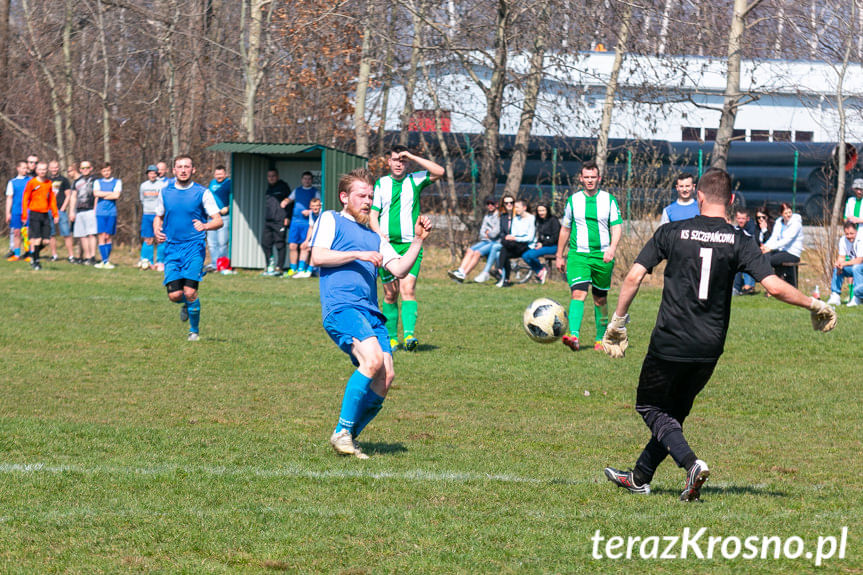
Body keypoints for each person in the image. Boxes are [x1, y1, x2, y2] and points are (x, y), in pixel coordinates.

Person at [600, 168, 837, 502]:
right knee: (675, 413)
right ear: (730, 200)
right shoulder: (740, 240)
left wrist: (618, 322)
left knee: (650, 406)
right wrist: (815, 304)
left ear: (698, 196)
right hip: (709, 346)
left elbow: (633, 277)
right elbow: (773, 286)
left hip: (670, 340)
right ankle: (640, 476)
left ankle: (691, 464)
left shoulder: (672, 230)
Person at [309, 168, 432, 459]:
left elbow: (400, 269)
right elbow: (318, 256)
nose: (367, 201)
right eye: (361, 195)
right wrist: (358, 254)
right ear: (344, 197)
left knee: (386, 376)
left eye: (370, 197)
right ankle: (342, 431)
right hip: (342, 306)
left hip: (371, 312)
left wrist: (417, 240)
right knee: (372, 360)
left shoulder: (374, 235)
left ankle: (348, 437)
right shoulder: (332, 218)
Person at [370, 145, 444, 351]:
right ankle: (392, 338)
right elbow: (373, 215)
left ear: (407, 162)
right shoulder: (381, 184)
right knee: (390, 294)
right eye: (395, 160)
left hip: (411, 245)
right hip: (387, 246)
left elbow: (440, 172)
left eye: (402, 160)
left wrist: (412, 155)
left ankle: (409, 336)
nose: (399, 163)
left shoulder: (415, 179)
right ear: (389, 162)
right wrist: (378, 234)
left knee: (408, 289)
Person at [153, 155, 223, 341]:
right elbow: (158, 216)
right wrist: (157, 231)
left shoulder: (202, 193)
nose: (183, 170)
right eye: (179, 167)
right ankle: (188, 304)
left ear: (193, 170)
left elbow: (218, 220)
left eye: (187, 167)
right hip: (172, 248)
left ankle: (194, 332)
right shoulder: (165, 192)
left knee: (190, 291)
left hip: (194, 247)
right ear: (173, 170)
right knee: (175, 295)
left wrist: (205, 226)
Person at [556, 160, 622, 352]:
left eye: (593, 177)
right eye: (587, 177)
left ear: (599, 178)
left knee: (600, 299)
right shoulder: (573, 200)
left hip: (602, 256)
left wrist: (612, 248)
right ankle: (574, 335)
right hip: (578, 255)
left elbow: (617, 226)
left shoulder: (609, 200)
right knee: (578, 293)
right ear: (581, 178)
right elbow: (565, 229)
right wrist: (559, 255)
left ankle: (600, 338)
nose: (590, 180)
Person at [448, 196, 502, 282]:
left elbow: (496, 233)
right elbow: (482, 232)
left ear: (497, 205)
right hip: (485, 241)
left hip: (494, 242)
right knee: (470, 250)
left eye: (492, 204)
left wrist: (489, 233)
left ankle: (463, 275)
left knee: (477, 253)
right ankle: (460, 271)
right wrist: (487, 234)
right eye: (488, 204)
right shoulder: (487, 216)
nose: (490, 205)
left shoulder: (499, 216)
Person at [21, 161, 58, 270]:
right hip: (34, 214)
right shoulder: (32, 183)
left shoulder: (49, 183)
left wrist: (55, 214)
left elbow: (52, 200)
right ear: (37, 170)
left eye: (44, 169)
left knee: (46, 241)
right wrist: (24, 215)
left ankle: (33, 255)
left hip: (45, 214)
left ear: (47, 170)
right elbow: (25, 199)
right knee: (36, 239)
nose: (42, 171)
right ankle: (36, 261)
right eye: (40, 169)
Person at [286, 171, 320, 277]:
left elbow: (318, 206)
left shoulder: (315, 192)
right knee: (292, 246)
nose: (307, 181)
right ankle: (293, 269)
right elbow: (289, 199)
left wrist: (309, 212)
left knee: (305, 246)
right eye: (305, 179)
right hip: (295, 222)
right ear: (302, 180)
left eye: (309, 179)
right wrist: (284, 202)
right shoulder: (297, 190)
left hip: (307, 223)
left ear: (312, 180)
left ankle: (303, 269)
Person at [496, 199, 536, 287]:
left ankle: (500, 270)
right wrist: (513, 238)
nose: (516, 209)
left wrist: (515, 238)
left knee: (504, 249)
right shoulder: (516, 219)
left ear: (524, 208)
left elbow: (529, 238)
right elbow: (513, 233)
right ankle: (505, 278)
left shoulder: (531, 218)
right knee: (504, 250)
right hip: (515, 244)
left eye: (517, 207)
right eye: (515, 208)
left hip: (526, 245)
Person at [761, 202, 803, 286]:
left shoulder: (796, 224)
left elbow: (786, 240)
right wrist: (765, 246)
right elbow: (774, 237)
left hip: (792, 253)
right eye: (786, 213)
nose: (788, 215)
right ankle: (772, 285)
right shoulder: (779, 222)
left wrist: (771, 248)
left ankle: (774, 285)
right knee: (764, 256)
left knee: (770, 260)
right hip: (781, 251)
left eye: (790, 212)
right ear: (781, 214)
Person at [522, 202, 560, 284]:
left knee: (532, 255)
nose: (541, 213)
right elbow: (539, 236)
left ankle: (541, 269)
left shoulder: (553, 220)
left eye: (543, 210)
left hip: (553, 246)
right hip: (542, 245)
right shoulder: (539, 221)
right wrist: (539, 242)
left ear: (547, 210)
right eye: (539, 211)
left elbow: (555, 237)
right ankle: (540, 271)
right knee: (525, 255)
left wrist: (543, 244)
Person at [827, 221, 863, 306]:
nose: (849, 236)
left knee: (856, 268)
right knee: (838, 269)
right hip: (855, 266)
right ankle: (835, 295)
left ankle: (858, 297)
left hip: (859, 266)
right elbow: (841, 257)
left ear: (856, 232)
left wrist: (844, 264)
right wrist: (839, 264)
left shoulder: (861, 239)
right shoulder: (843, 240)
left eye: (851, 233)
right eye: (847, 234)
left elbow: (859, 260)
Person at [93, 163, 122, 269]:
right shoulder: (97, 182)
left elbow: (117, 195)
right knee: (101, 236)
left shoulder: (117, 182)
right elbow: (96, 193)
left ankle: (107, 261)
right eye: (104, 171)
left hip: (111, 213)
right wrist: (110, 194)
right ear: (101, 172)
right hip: (100, 212)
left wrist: (103, 194)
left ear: (111, 171)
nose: (106, 173)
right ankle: (103, 261)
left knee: (108, 236)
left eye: (108, 170)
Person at [261, 168, 290, 275]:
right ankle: (270, 264)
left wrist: (287, 217)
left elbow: (289, 202)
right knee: (265, 243)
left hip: (280, 220)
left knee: (280, 244)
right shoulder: (269, 188)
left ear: (277, 176)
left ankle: (279, 267)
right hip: (269, 220)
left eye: (273, 176)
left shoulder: (283, 186)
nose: (271, 178)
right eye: (269, 176)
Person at [72, 161, 98, 265]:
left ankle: (92, 256)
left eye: (87, 167)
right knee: (82, 235)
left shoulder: (95, 180)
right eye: (83, 168)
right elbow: (73, 196)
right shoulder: (76, 182)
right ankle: (86, 257)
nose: (85, 169)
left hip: (91, 210)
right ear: (80, 169)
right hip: (79, 211)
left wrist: (96, 209)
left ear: (91, 168)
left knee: (91, 234)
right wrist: (72, 212)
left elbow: (97, 195)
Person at [206, 165, 232, 272]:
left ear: (225, 174)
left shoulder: (229, 183)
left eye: (221, 174)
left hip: (224, 217)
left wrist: (228, 207)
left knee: (222, 243)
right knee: (212, 243)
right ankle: (214, 264)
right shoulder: (212, 183)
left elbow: (234, 198)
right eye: (217, 174)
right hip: (211, 217)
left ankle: (222, 264)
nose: (219, 176)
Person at [48, 160, 74, 262]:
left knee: (66, 234)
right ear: (49, 168)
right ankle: (54, 255)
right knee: (51, 234)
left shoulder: (64, 180)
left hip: (61, 210)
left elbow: (68, 195)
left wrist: (63, 208)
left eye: (56, 167)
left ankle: (71, 256)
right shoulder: (46, 180)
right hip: (49, 210)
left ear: (58, 168)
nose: (54, 169)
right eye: (52, 167)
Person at [5, 160, 31, 260]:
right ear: (18, 168)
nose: (25, 170)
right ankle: (16, 254)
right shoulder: (12, 182)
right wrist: (8, 212)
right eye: (23, 167)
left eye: (26, 168)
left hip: (28, 211)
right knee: (16, 233)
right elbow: (9, 198)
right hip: (16, 211)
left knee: (27, 233)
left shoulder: (30, 180)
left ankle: (28, 253)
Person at [138, 165, 162, 269]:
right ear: (148, 174)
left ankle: (161, 261)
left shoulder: (161, 185)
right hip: (147, 213)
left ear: (157, 174)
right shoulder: (143, 185)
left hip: (158, 214)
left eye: (154, 173)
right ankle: (147, 261)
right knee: (148, 238)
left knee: (160, 238)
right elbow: (142, 199)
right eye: (150, 173)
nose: (152, 175)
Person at [732, 208, 757, 295]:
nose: (741, 221)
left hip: (753, 254)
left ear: (747, 219)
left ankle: (747, 287)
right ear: (736, 218)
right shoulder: (736, 229)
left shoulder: (752, 229)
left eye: (743, 218)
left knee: (744, 259)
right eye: (739, 218)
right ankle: (736, 287)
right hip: (741, 255)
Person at [296, 196, 322, 278]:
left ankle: (309, 271)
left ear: (320, 206)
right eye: (313, 206)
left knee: (314, 249)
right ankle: (300, 270)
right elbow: (311, 227)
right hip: (316, 235)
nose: (315, 208)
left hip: (323, 236)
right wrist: (306, 240)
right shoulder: (311, 214)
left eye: (317, 206)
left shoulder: (323, 213)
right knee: (304, 246)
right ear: (310, 207)